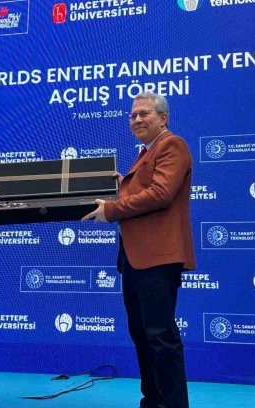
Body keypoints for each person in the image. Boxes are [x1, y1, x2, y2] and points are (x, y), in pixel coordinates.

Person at [82, 91, 195, 408]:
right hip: (134, 258)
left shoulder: (172, 144)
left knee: (161, 337)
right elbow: (145, 190)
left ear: (163, 118)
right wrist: (123, 187)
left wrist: (112, 208)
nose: (136, 119)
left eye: (144, 113)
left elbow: (160, 193)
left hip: (157, 257)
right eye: (132, 115)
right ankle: (154, 401)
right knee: (143, 334)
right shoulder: (146, 152)